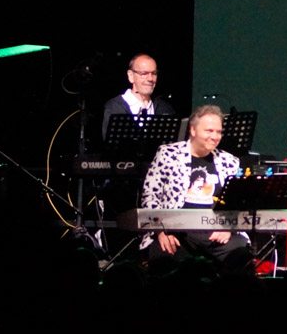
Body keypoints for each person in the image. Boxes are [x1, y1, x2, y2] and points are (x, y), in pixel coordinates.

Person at [137, 104, 250, 269]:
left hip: (214, 231)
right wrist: (161, 231)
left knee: (240, 255)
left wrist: (228, 229)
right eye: (209, 131)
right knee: (163, 258)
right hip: (175, 230)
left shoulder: (229, 161)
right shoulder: (168, 154)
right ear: (193, 130)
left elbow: (237, 204)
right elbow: (150, 197)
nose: (215, 136)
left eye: (218, 132)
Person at [100, 53, 177, 140]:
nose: (150, 78)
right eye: (144, 73)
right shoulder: (114, 107)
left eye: (154, 73)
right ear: (131, 76)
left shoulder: (164, 108)